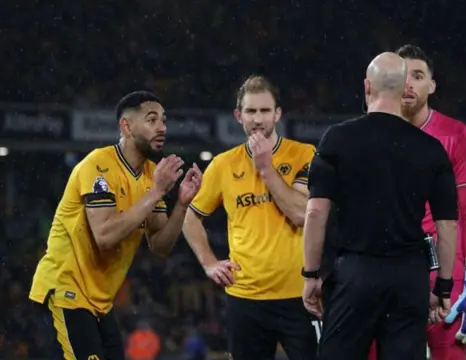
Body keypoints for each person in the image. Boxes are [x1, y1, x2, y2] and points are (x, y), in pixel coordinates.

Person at [301, 52, 459, 360]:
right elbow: (448, 225)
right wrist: (443, 287)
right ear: (404, 91)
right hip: (408, 276)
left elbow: (316, 211)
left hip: (355, 273)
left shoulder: (337, 139)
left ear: (367, 86)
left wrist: (310, 275)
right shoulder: (430, 149)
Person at [29, 91, 202, 359]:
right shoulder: (98, 165)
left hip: (100, 303)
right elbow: (105, 236)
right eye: (152, 120)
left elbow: (160, 245)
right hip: (67, 290)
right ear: (126, 126)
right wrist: (156, 193)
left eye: (164, 121)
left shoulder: (149, 177)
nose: (162, 127)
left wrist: (180, 204)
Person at [182, 75, 318, 360]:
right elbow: (189, 218)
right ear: (238, 115)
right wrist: (209, 263)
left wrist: (266, 168)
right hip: (245, 298)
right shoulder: (223, 164)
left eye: (265, 111)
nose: (258, 119)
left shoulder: (304, 154)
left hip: (300, 296)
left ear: (277, 114)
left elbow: (299, 213)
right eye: (251, 111)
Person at [367, 44, 466, 360]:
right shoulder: (370, 135)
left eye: (418, 76)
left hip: (445, 268)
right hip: (387, 264)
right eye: (403, 76)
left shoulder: (455, 134)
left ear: (431, 85)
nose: (409, 84)